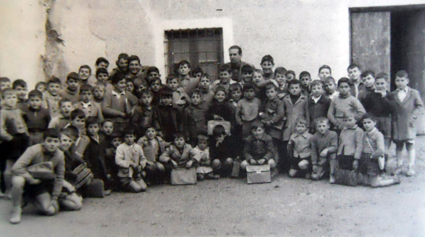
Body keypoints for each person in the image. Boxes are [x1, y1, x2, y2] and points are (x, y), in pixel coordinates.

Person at [9, 128, 64, 224]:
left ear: (59, 143)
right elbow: (16, 168)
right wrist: (30, 179)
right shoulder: (33, 150)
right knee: (18, 181)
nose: (52, 144)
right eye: (49, 141)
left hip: (39, 184)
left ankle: (30, 199)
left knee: (49, 210)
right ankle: (16, 209)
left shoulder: (59, 155)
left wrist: (55, 197)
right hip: (26, 179)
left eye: (55, 141)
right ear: (43, 141)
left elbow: (59, 177)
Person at [389, 70, 424, 176]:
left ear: (407, 81)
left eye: (402, 80)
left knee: (410, 145)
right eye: (397, 80)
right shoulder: (393, 94)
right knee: (399, 146)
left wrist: (414, 116)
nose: (400, 83)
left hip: (409, 123)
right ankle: (399, 165)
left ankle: (410, 166)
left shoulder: (413, 93)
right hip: (398, 123)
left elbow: (419, 106)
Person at [0, 88, 30, 197]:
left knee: (20, 164)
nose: (12, 100)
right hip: (11, 141)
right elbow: (0, 129)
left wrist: (26, 135)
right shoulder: (3, 112)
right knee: (9, 166)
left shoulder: (18, 111)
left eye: (13, 97)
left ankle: (19, 189)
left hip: (21, 139)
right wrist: (9, 138)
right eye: (8, 97)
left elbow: (22, 125)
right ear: (3, 99)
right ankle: (8, 190)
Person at [360, 114, 400, 187]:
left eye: (369, 122)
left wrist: (372, 156)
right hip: (364, 158)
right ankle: (379, 178)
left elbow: (381, 150)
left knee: (374, 184)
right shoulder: (365, 134)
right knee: (365, 182)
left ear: (374, 122)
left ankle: (393, 180)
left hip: (373, 159)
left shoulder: (378, 134)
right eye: (364, 123)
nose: (366, 125)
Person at [282, 80, 308, 171]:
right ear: (288, 89)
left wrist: (307, 125)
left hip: (300, 126)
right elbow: (282, 112)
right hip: (288, 125)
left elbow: (307, 113)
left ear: (300, 89)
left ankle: (298, 167)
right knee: (288, 145)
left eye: (296, 88)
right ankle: (288, 166)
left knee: (299, 144)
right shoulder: (285, 99)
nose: (294, 90)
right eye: (292, 88)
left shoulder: (304, 99)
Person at [259, 81, 285, 168]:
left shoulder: (279, 102)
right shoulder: (266, 101)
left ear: (276, 92)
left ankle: (276, 165)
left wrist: (272, 121)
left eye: (272, 92)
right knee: (268, 146)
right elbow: (262, 111)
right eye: (268, 92)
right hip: (267, 127)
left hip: (275, 128)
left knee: (274, 146)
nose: (270, 94)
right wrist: (262, 115)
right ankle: (268, 165)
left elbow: (280, 114)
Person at [83, 117, 111, 194]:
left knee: (104, 174)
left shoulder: (102, 138)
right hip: (93, 162)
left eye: (95, 127)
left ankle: (105, 187)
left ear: (99, 128)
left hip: (102, 161)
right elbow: (86, 154)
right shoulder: (87, 140)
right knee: (96, 176)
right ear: (86, 128)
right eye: (90, 127)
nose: (93, 129)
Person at [115, 126, 147, 192]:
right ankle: (124, 185)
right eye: (127, 137)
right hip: (125, 174)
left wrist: (141, 165)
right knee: (137, 189)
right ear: (124, 138)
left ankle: (136, 180)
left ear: (134, 137)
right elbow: (118, 161)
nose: (129, 139)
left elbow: (143, 158)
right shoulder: (120, 147)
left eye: (131, 136)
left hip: (136, 173)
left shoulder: (138, 147)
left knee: (143, 188)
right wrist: (130, 163)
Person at [310, 117, 338, 182]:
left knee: (333, 155)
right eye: (319, 126)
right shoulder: (314, 137)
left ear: (328, 126)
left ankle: (332, 174)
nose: (322, 128)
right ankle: (323, 171)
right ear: (316, 128)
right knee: (314, 177)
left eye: (324, 126)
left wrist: (327, 150)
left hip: (331, 157)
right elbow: (313, 151)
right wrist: (314, 163)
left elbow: (335, 147)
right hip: (321, 159)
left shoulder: (333, 134)